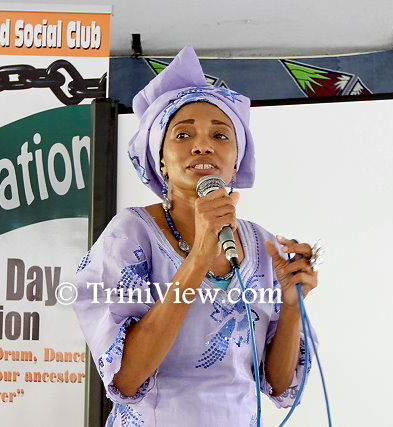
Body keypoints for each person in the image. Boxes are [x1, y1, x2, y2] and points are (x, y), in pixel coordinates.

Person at [72, 46, 319, 426]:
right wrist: (199, 256)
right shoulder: (131, 235)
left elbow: (278, 384)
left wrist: (290, 306)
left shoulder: (263, 244)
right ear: (160, 159)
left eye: (221, 135)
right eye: (183, 134)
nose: (203, 145)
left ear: (236, 161)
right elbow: (126, 378)